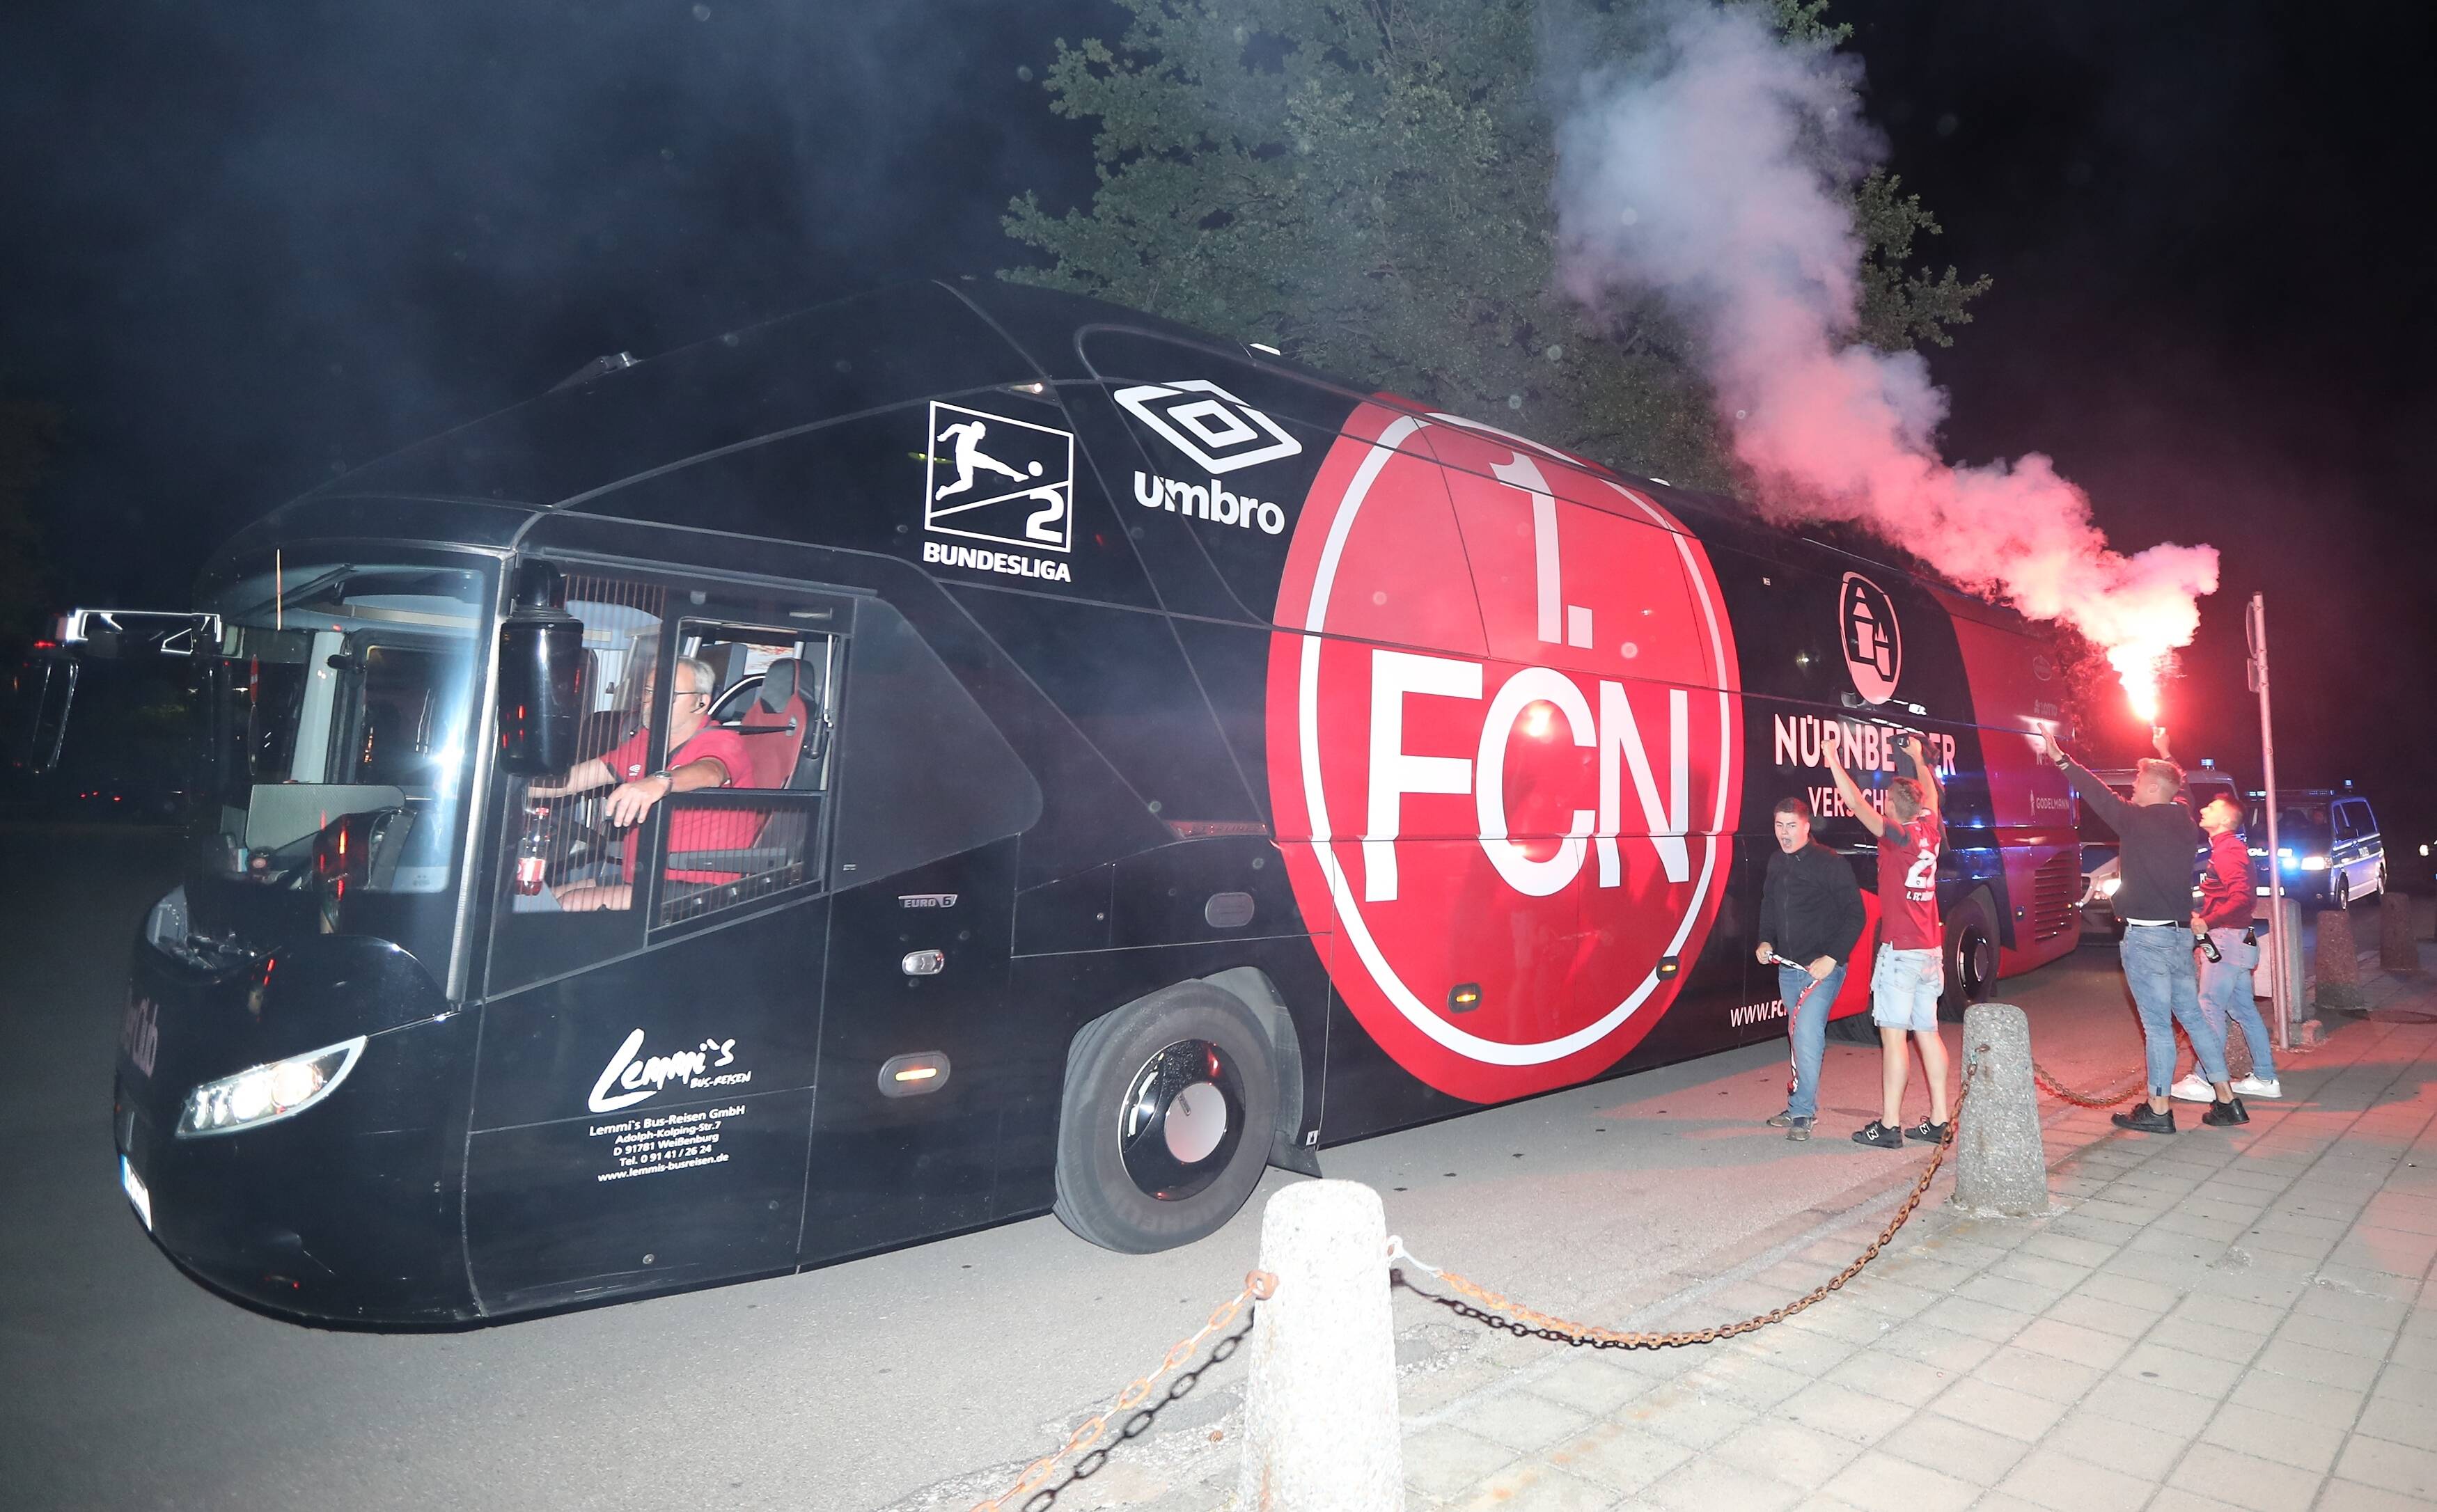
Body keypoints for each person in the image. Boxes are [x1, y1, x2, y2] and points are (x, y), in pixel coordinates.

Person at [2044, 732, 2247, 1131]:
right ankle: (2227, 1100)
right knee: (2192, 1017)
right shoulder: (2186, 823)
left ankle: (2157, 1109)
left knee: (2157, 1027)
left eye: (2137, 783)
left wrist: (2061, 759)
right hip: (2178, 937)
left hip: (2148, 939)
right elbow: (2182, 788)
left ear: (2154, 787)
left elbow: (2096, 793)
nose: (2131, 789)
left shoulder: (2135, 820)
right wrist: (2168, 751)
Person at [532, 656, 755, 912]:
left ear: (701, 703)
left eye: (668, 694)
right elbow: (574, 780)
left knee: (571, 904)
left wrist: (660, 782)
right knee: (542, 900)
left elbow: (712, 772)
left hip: (699, 883)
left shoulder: (722, 740)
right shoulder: (647, 741)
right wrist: (512, 787)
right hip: (646, 878)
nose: (651, 701)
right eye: (649, 691)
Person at [1826, 732, 1952, 1149]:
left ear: (1895, 807)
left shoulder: (1897, 837)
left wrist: (1832, 760)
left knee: (1894, 1036)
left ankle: (1890, 1125)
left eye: (1886, 802)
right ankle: (1939, 1120)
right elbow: (1931, 794)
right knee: (1928, 1032)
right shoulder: (1930, 830)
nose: (1881, 806)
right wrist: (1918, 759)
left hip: (1900, 951)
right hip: (1930, 950)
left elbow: (1855, 805)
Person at [1757, 796, 1867, 1142]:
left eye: (1791, 826)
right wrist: (1764, 941)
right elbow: (1769, 906)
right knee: (1797, 1035)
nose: (1784, 834)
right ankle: (1798, 1105)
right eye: (1779, 826)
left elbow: (1856, 915)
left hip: (1822, 969)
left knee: (1806, 1034)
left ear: (1806, 826)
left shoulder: (1829, 863)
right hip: (1788, 968)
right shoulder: (1777, 862)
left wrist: (1832, 958)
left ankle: (1803, 1113)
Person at [2174, 793, 2280, 1101]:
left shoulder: (2228, 850)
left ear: (2225, 820)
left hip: (2227, 940)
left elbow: (2242, 898)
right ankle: (2265, 1078)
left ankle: (2207, 1080)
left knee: (2209, 1007)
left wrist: (2209, 921)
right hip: (2236, 939)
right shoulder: (2226, 848)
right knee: (2244, 1010)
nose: (2204, 809)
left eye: (2211, 807)